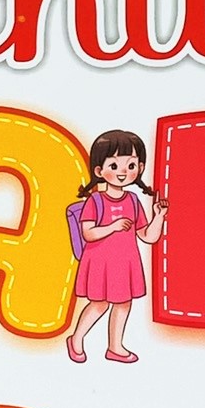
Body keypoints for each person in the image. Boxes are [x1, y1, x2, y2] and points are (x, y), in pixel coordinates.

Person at [66, 129, 167, 366]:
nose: (123, 172)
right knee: (99, 303)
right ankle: (76, 338)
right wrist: (112, 227)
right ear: (99, 171)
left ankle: (115, 347)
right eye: (114, 166)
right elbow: (88, 233)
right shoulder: (96, 201)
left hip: (125, 263)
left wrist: (159, 216)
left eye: (130, 165)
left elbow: (147, 236)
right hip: (100, 263)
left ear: (140, 168)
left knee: (123, 303)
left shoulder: (133, 200)